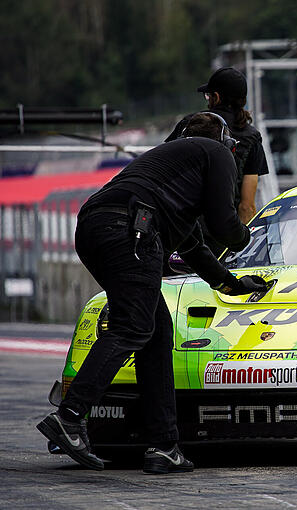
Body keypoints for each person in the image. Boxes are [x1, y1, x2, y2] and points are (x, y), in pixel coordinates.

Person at [36, 113, 267, 474]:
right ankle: (69, 416)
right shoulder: (215, 152)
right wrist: (244, 236)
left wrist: (232, 285)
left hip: (96, 226)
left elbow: (194, 250)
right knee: (133, 327)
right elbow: (224, 226)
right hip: (132, 229)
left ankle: (164, 446)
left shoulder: (170, 174)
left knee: (155, 332)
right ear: (225, 142)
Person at [166, 67, 269, 226]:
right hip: (223, 231)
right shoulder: (252, 137)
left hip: (183, 229)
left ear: (216, 97)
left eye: (208, 96)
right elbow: (247, 207)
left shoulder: (188, 124)